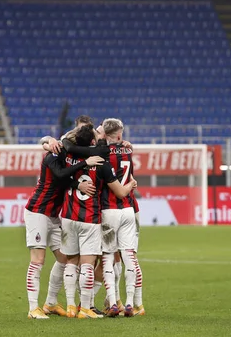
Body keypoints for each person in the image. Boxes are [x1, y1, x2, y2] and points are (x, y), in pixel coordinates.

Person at [60, 125, 137, 319]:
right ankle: (87, 306)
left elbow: (60, 173)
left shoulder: (68, 157)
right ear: (93, 141)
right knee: (93, 262)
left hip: (68, 216)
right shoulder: (102, 161)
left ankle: (71, 306)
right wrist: (131, 185)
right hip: (91, 217)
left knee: (71, 261)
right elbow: (119, 191)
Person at [24, 143, 104, 319]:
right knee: (38, 260)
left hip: (53, 215)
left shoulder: (66, 155)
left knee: (63, 258)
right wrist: (84, 164)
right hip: (38, 211)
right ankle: (32, 308)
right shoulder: (52, 156)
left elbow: (66, 178)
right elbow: (60, 174)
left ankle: (50, 303)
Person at [98, 118, 145, 317]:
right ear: (119, 134)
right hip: (128, 210)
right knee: (129, 257)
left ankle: (113, 302)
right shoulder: (128, 151)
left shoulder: (101, 154)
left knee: (108, 257)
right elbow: (124, 149)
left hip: (109, 210)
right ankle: (130, 303)